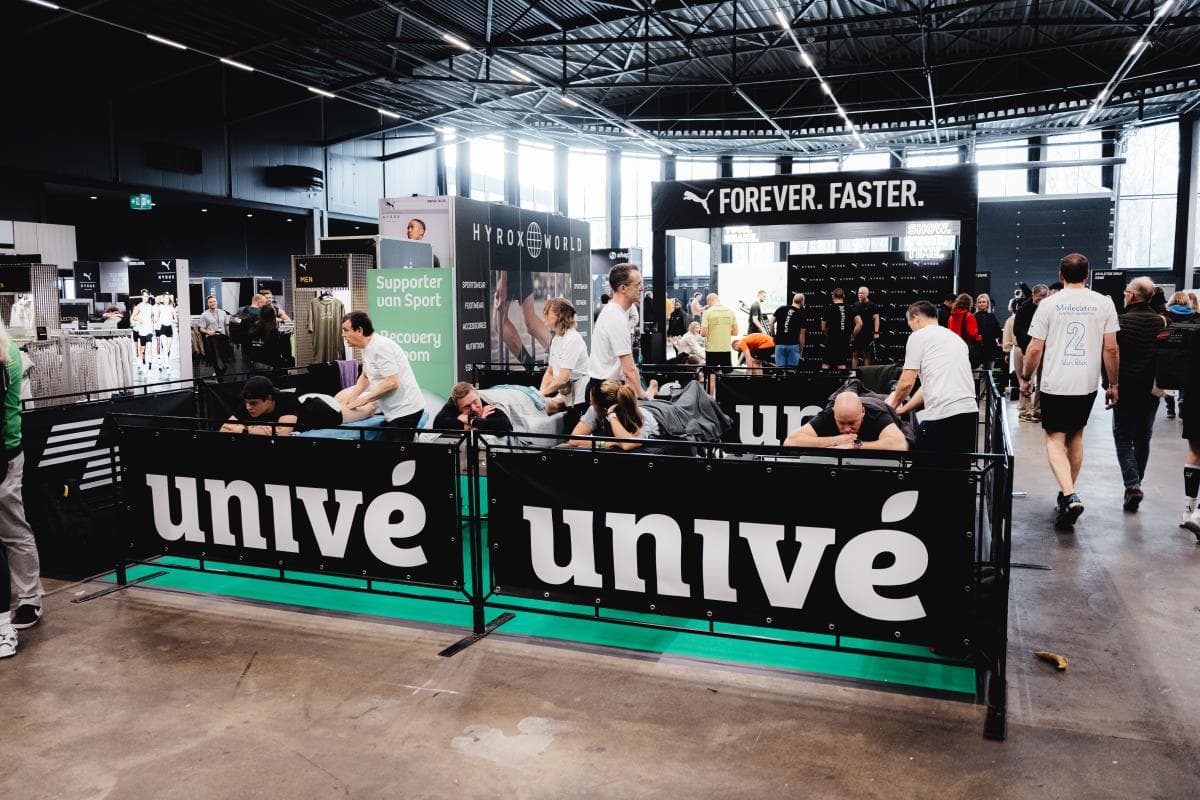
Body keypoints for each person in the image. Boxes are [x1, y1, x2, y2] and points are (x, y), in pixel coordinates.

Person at [1019, 253, 1120, 530]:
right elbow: (1111, 348)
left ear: (1061, 275)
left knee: (1054, 439)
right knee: (1076, 436)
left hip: (1055, 382)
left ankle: (1069, 494)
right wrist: (1113, 384)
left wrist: (1026, 377)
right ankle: (1067, 495)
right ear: (1087, 275)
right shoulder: (1104, 303)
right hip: (1086, 383)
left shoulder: (1049, 304)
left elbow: (1035, 348)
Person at [0, 317, 42, 641]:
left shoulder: (7, 354)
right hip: (8, 449)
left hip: (6, 453)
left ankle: (30, 599)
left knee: (12, 528)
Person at [890, 301, 979, 453]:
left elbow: (906, 382)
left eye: (910, 324)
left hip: (942, 414)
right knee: (959, 466)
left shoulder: (918, 336)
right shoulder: (955, 339)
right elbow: (927, 387)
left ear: (915, 317)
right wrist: (904, 409)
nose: (911, 328)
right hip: (969, 413)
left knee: (924, 463)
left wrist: (890, 408)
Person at [1110, 277, 1165, 512]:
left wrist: (1110, 384)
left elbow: (1112, 352)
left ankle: (1132, 485)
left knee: (1123, 437)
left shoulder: (1120, 321)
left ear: (1132, 296)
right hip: (1151, 389)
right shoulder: (1161, 322)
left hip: (1125, 387)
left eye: (1126, 292)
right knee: (1143, 437)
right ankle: (1135, 484)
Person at [340, 311, 425, 439]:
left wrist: (364, 400)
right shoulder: (366, 348)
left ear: (359, 330)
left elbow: (392, 382)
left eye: (346, 330)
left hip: (406, 410)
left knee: (398, 450)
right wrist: (352, 396)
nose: (343, 335)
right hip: (393, 411)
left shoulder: (381, 346)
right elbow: (365, 376)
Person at [588, 264, 655, 403]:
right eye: (637, 285)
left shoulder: (615, 313)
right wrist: (643, 395)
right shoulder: (616, 317)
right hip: (606, 391)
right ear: (623, 288)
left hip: (606, 386)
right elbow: (629, 369)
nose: (642, 288)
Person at [785, 391, 909, 450]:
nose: (847, 429)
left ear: (862, 412)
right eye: (841, 423)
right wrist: (835, 441)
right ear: (834, 413)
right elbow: (791, 441)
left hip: (878, 403)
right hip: (855, 398)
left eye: (852, 423)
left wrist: (854, 445)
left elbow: (899, 445)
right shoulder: (828, 414)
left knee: (892, 399)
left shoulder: (876, 414)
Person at [567, 379, 660, 450]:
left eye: (592, 402)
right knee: (643, 400)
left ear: (604, 410)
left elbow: (627, 445)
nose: (590, 405)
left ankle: (652, 389)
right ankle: (651, 390)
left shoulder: (641, 417)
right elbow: (574, 440)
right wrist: (611, 442)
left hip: (658, 413)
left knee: (650, 401)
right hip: (635, 404)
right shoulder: (594, 409)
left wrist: (612, 416)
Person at [539, 298, 589, 419]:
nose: (545, 315)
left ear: (560, 315)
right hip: (566, 394)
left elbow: (563, 378)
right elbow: (550, 372)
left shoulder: (573, 339)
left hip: (579, 398)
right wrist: (540, 393)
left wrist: (542, 393)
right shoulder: (556, 339)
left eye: (548, 312)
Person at [494, 269, 551, 367]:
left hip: (508, 268)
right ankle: (563, 353)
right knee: (530, 321)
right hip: (522, 265)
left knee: (500, 323)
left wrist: (503, 281)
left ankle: (531, 367)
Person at [1013, 284, 1049, 422]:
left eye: (1044, 297)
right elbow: (1017, 330)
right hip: (1029, 349)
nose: (1041, 300)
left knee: (1042, 382)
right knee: (1027, 380)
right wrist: (1030, 344)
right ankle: (1024, 411)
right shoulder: (1024, 308)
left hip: (1044, 349)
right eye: (1039, 297)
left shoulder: (1048, 309)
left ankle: (1038, 410)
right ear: (1033, 295)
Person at [432, 382, 514, 433]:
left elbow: (506, 426)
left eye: (475, 402)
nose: (473, 408)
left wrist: (472, 420)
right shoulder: (453, 405)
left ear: (478, 395)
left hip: (515, 398)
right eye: (467, 406)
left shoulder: (487, 404)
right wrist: (478, 423)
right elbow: (438, 424)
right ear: (458, 407)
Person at [1163, 291, 1193, 421]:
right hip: (1186, 354)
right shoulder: (1193, 316)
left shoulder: (1164, 316)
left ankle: (1170, 409)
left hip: (1167, 353)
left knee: (1167, 381)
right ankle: (1182, 401)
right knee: (1185, 380)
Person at [700, 292, 737, 394]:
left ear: (709, 301)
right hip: (726, 349)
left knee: (712, 376)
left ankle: (710, 399)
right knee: (726, 376)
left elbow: (703, 333)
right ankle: (726, 398)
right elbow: (735, 332)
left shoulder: (707, 312)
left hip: (712, 349)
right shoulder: (730, 312)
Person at [248, 305, 292, 370]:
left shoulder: (253, 329)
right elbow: (282, 353)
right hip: (270, 366)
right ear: (273, 318)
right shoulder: (273, 332)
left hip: (255, 365)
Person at [199, 295, 232, 377]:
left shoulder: (223, 313)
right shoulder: (204, 315)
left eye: (214, 301)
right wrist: (208, 332)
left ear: (217, 302)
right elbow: (201, 328)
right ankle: (219, 375)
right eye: (210, 302)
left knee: (224, 357)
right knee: (217, 356)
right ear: (208, 304)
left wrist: (229, 336)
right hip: (212, 337)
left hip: (222, 337)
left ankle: (220, 372)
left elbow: (226, 326)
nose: (212, 303)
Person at [771, 293, 806, 370]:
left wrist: (773, 335)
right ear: (802, 302)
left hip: (779, 344)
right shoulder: (801, 315)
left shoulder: (781, 309)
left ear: (793, 300)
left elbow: (771, 322)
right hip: (793, 345)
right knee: (791, 371)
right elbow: (802, 335)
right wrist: (801, 350)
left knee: (780, 371)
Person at [947, 293, 983, 367]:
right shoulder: (969, 316)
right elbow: (972, 333)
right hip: (965, 348)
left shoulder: (951, 316)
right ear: (969, 304)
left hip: (953, 348)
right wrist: (979, 338)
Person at [821, 288, 852, 370]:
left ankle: (824, 379)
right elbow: (859, 323)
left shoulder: (828, 308)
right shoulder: (849, 308)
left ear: (833, 296)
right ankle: (842, 379)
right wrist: (852, 335)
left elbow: (823, 328)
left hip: (831, 339)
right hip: (843, 340)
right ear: (844, 296)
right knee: (841, 364)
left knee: (826, 364)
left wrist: (828, 334)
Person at [849, 286, 881, 368]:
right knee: (855, 354)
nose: (860, 295)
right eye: (859, 293)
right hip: (856, 333)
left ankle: (867, 373)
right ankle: (853, 373)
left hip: (867, 333)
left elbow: (876, 319)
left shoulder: (872, 305)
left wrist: (876, 332)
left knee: (866, 355)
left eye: (862, 293)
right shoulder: (854, 305)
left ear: (867, 294)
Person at [974, 293, 1003, 372]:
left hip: (991, 348)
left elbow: (998, 330)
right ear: (977, 304)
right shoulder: (974, 316)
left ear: (987, 304)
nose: (982, 304)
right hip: (979, 348)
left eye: (984, 302)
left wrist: (1001, 340)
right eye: (980, 302)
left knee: (989, 372)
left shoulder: (992, 316)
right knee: (978, 373)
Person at [131, 291, 157, 368]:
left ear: (148, 297)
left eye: (147, 296)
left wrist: (153, 320)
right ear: (142, 297)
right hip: (142, 331)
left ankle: (150, 366)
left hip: (149, 330)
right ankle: (142, 359)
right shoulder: (139, 306)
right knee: (142, 349)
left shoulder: (150, 307)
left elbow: (152, 316)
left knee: (149, 347)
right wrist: (139, 319)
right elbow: (133, 317)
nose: (145, 298)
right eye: (144, 296)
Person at [156, 294, 177, 368]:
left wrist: (174, 320)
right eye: (165, 298)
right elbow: (157, 317)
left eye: (167, 298)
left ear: (169, 299)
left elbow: (175, 318)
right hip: (162, 328)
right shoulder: (160, 308)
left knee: (168, 349)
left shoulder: (171, 308)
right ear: (163, 300)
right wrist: (158, 324)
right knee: (165, 347)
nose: (166, 300)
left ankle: (164, 361)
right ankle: (167, 365)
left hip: (169, 329)